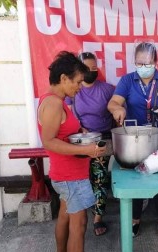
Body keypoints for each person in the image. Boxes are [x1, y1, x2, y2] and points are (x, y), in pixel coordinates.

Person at [107, 42, 158, 237]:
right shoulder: (127, 80)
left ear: (156, 62)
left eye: (147, 63)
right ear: (134, 62)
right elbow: (113, 102)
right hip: (135, 139)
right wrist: (118, 109)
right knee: (136, 177)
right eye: (139, 63)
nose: (143, 67)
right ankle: (135, 219)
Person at [37, 51, 107, 252]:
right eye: (77, 82)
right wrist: (86, 150)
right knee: (79, 225)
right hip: (70, 177)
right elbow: (49, 141)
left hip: (69, 175)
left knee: (65, 219)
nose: (79, 86)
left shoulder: (56, 101)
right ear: (63, 78)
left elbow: (63, 134)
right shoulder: (53, 104)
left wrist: (81, 134)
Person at [65, 52, 115, 236]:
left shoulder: (107, 89)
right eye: (88, 68)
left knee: (100, 177)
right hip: (79, 140)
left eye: (95, 68)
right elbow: (69, 114)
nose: (92, 71)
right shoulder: (73, 90)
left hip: (102, 139)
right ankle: (80, 212)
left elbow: (118, 107)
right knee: (81, 178)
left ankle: (98, 217)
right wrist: (79, 128)